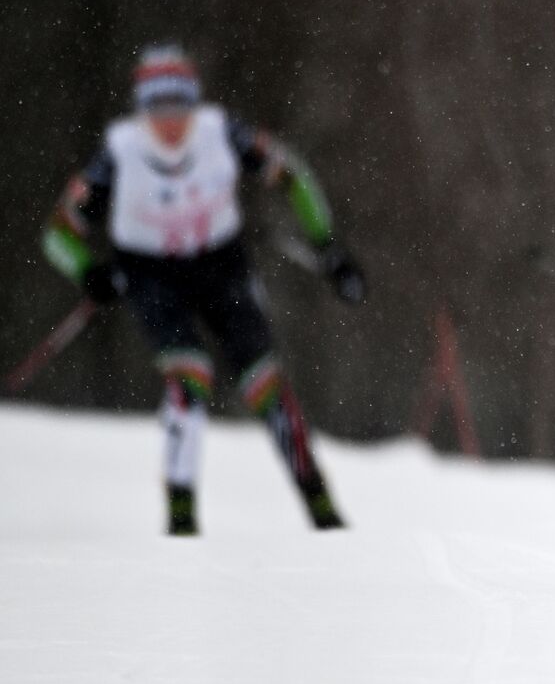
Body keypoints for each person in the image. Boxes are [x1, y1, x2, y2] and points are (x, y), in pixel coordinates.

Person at [41, 44, 366, 535]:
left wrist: (329, 247)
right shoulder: (119, 150)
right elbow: (57, 234)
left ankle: (322, 511)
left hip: (222, 270)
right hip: (151, 276)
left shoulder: (223, 132)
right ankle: (181, 522)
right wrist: (90, 271)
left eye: (179, 107)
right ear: (141, 108)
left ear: (194, 103)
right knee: (189, 378)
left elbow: (293, 176)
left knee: (267, 385)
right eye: (157, 108)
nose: (169, 123)